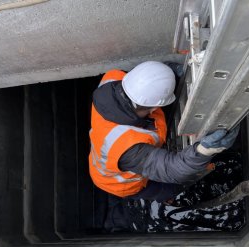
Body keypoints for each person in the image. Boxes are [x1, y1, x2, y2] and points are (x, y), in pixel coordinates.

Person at [89, 61, 239, 203]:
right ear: (153, 107)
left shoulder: (113, 78)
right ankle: (166, 198)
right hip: (118, 182)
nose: (155, 110)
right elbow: (172, 170)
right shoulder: (127, 148)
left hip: (109, 154)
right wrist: (205, 150)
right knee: (165, 191)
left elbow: (149, 79)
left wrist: (175, 75)